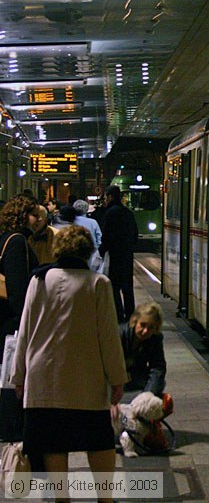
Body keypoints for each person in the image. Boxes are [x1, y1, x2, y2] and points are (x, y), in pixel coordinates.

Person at [11, 226, 127, 501]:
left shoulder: (38, 281)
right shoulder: (98, 284)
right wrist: (117, 378)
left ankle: (62, 498)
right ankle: (105, 498)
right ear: (88, 252)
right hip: (86, 382)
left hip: (43, 382)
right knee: (98, 441)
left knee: (53, 443)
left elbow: (24, 332)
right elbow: (109, 337)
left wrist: (18, 377)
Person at [0, 195, 41, 337]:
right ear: (22, 215)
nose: (39, 219)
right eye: (34, 215)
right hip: (10, 319)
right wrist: (23, 318)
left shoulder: (6, 237)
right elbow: (17, 286)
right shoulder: (17, 241)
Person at [99, 185, 138, 321]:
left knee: (114, 287)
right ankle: (130, 314)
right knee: (128, 287)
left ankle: (119, 314)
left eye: (105, 197)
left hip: (114, 256)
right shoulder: (128, 212)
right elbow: (135, 235)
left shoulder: (110, 213)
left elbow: (107, 236)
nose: (104, 200)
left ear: (110, 197)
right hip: (127, 254)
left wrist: (101, 251)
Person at [120, 302, 167, 396]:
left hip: (136, 376)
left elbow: (158, 367)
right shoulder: (119, 335)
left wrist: (148, 394)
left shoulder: (155, 338)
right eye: (142, 325)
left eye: (151, 328)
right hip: (117, 377)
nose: (145, 331)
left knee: (159, 382)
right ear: (134, 321)